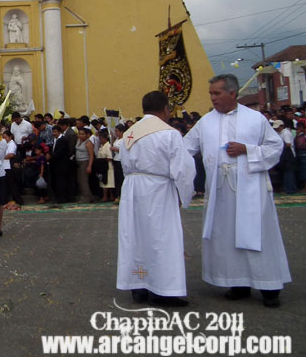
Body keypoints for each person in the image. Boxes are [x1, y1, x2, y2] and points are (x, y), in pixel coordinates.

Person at [183, 74, 291, 308]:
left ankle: (269, 286)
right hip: (220, 190)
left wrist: (247, 150)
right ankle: (237, 282)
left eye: (217, 93)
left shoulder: (255, 119)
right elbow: (184, 148)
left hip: (250, 187)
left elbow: (275, 147)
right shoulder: (206, 122)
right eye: (211, 94)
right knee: (227, 236)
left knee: (258, 233)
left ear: (232, 93)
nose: (212, 98)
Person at [117, 91, 195, 307]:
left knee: (135, 237)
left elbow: (123, 164)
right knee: (162, 238)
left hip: (132, 189)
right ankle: (163, 291)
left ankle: (138, 286)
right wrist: (184, 194)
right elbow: (184, 169)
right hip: (158, 189)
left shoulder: (129, 134)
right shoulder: (169, 133)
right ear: (165, 109)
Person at [74, 127, 95, 203]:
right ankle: (90, 196)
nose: (81, 135)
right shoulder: (78, 140)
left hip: (85, 162)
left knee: (84, 181)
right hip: (78, 162)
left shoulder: (88, 143)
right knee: (79, 180)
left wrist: (89, 166)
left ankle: (86, 198)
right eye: (79, 134)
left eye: (82, 134)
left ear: (86, 135)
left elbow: (91, 155)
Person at [96, 129, 115, 202]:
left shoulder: (108, 146)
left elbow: (110, 157)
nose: (100, 140)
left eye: (101, 139)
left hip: (107, 166)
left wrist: (103, 160)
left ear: (104, 138)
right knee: (104, 182)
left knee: (108, 182)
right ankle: (109, 196)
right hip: (102, 166)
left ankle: (106, 196)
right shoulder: (101, 146)